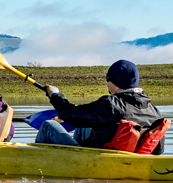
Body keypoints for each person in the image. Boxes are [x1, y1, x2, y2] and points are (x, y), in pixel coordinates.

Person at [35, 59, 164, 152]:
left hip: (95, 158)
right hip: (129, 158)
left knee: (48, 125)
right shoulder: (153, 109)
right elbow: (159, 149)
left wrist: (55, 96)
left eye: (107, 80)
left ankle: (37, 165)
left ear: (114, 82)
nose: (107, 84)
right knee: (83, 127)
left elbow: (71, 115)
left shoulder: (110, 104)